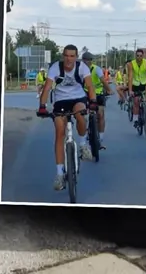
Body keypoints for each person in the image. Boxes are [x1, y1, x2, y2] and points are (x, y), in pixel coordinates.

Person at [37, 45, 98, 190]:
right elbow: (47, 88)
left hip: (78, 98)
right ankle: (59, 174)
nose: (69, 59)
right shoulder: (55, 68)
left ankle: (83, 145)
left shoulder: (82, 67)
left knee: (80, 114)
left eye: (72, 56)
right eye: (66, 56)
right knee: (59, 132)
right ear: (63, 56)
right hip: (61, 101)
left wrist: (93, 101)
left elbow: (90, 86)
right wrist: (42, 106)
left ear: (76, 57)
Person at [81, 52, 109, 149]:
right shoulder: (79, 69)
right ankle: (83, 142)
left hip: (98, 93)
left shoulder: (96, 69)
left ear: (91, 61)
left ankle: (100, 140)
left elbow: (103, 81)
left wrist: (109, 90)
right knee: (83, 116)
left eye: (88, 60)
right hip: (84, 93)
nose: (86, 62)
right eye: (85, 60)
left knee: (100, 114)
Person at [126, 49, 146, 124]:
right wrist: (130, 90)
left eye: (141, 56)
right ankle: (135, 117)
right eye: (137, 55)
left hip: (144, 83)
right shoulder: (131, 64)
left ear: (143, 56)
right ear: (135, 56)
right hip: (135, 84)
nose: (139, 57)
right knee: (136, 101)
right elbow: (130, 77)